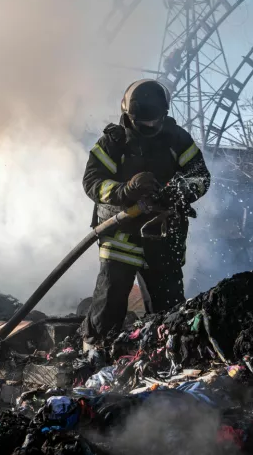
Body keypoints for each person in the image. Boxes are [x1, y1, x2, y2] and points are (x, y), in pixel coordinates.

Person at [81, 79, 211, 349]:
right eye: (143, 121)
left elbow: (200, 176)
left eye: (156, 120)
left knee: (169, 314)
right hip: (119, 238)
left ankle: (164, 358)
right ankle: (94, 357)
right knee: (109, 305)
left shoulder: (178, 139)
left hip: (163, 237)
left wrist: (177, 193)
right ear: (128, 114)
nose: (151, 126)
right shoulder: (113, 142)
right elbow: (92, 181)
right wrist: (125, 190)